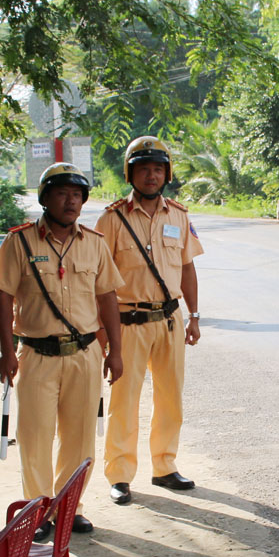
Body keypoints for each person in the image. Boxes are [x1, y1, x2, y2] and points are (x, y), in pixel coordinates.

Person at [0, 162, 124, 539]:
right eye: (63, 193)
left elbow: (108, 297)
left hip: (85, 354)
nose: (71, 201)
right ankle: (37, 512)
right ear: (46, 198)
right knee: (35, 437)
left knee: (80, 440)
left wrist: (115, 351)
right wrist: (6, 351)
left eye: (78, 195)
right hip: (36, 355)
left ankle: (68, 509)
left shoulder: (95, 244)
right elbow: (3, 298)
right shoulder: (20, 242)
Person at [94, 136, 204, 506]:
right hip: (127, 322)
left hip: (170, 321)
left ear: (167, 173)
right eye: (144, 169)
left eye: (158, 169)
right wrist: (101, 332)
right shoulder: (111, 219)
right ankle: (120, 475)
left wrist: (195, 317)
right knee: (125, 400)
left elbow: (187, 269)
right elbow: (97, 279)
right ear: (130, 173)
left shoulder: (179, 215)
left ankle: (165, 466)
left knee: (171, 398)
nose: (152, 175)